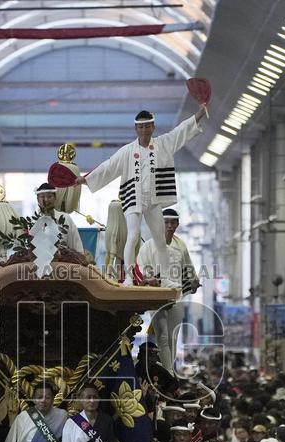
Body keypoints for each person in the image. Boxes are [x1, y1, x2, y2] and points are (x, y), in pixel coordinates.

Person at [74, 104, 207, 286]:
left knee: (160, 239)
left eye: (147, 126)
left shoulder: (163, 144)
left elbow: (181, 131)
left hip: (153, 199)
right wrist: (86, 179)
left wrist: (199, 113)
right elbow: (109, 166)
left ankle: (166, 278)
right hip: (134, 199)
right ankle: (129, 276)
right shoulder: (127, 151)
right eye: (141, 126)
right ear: (136, 128)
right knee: (133, 235)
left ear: (153, 127)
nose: (144, 130)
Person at [135, 208, 199, 371]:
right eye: (166, 222)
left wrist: (194, 282)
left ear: (177, 224)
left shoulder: (181, 245)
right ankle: (169, 372)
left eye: (173, 222)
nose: (170, 226)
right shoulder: (148, 247)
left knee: (173, 336)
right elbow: (140, 268)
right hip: (156, 297)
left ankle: (170, 371)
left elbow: (188, 267)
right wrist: (149, 278)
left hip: (176, 296)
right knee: (162, 336)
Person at [34, 182, 84, 254]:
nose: (46, 200)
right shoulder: (33, 221)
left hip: (63, 261)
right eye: (42, 197)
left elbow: (76, 245)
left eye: (49, 196)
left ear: (55, 198)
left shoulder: (65, 218)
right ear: (38, 200)